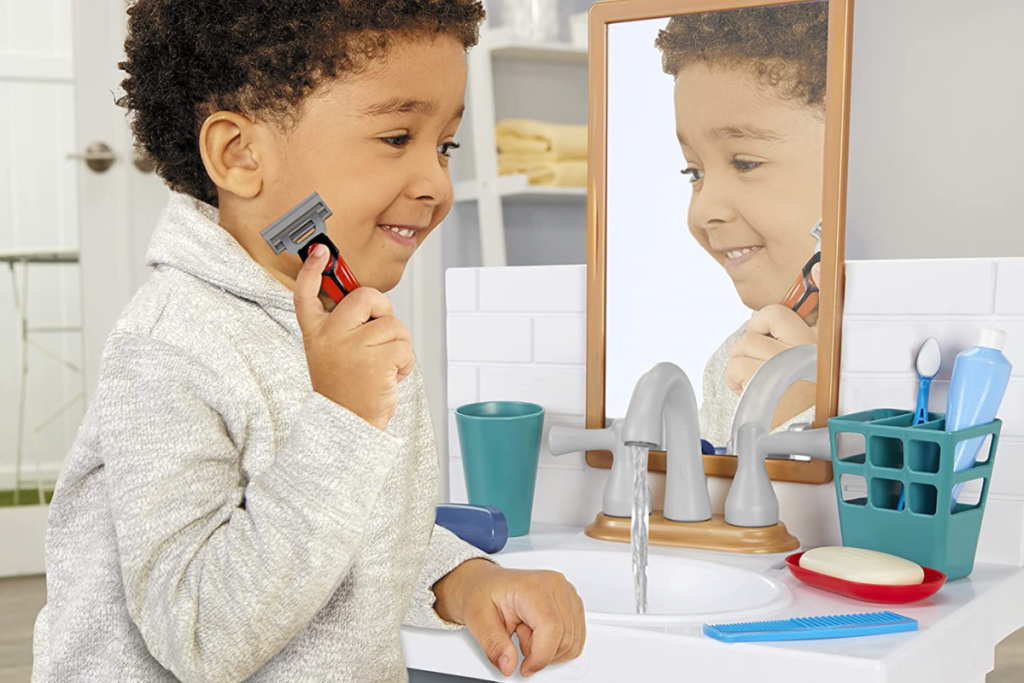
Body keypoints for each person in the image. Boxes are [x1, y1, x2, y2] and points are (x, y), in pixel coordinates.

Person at [31, 2, 585, 681]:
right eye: (395, 138)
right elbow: (201, 633)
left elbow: (360, 537)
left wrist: (465, 580)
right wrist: (343, 418)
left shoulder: (348, 321)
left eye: (445, 145)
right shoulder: (169, 349)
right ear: (240, 156)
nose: (438, 183)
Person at [655, 2, 828, 446]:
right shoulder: (731, 365)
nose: (702, 210)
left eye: (745, 163)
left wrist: (804, 407)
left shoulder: (908, 362)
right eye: (694, 173)